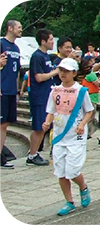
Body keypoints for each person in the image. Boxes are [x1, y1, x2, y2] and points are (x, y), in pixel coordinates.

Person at [43, 58, 94, 215]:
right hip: (59, 136)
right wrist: (47, 123)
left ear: (74, 73)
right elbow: (51, 111)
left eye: (66, 71)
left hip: (76, 137)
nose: (63, 74)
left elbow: (89, 111)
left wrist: (82, 124)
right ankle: (69, 201)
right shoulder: (55, 90)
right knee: (61, 172)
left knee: (72, 171)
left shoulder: (81, 91)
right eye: (61, 70)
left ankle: (83, 187)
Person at [27, 28, 54, 166]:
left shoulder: (46, 56)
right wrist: (54, 72)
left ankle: (34, 152)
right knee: (39, 126)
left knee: (43, 126)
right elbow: (38, 77)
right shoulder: (37, 56)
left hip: (47, 95)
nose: (52, 42)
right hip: (39, 96)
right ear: (43, 41)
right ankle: (32, 155)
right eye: (50, 39)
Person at [1, 20, 22, 160]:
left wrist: (18, 90)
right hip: (2, 89)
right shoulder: (1, 44)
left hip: (11, 90)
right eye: (19, 27)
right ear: (10, 28)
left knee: (5, 124)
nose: (21, 29)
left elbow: (17, 71)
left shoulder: (17, 48)